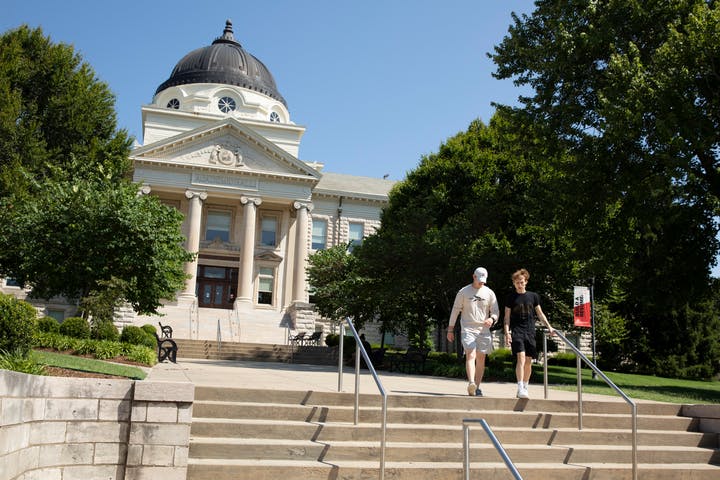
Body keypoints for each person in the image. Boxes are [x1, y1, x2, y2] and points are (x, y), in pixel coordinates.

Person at [447, 267, 499, 396]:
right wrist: (450, 329)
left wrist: (492, 319)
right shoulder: (463, 292)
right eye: (479, 279)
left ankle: (477, 387)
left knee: (481, 358)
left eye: (484, 280)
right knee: (471, 354)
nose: (482, 282)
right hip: (468, 329)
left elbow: (496, 311)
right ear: (473, 277)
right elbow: (455, 310)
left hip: (484, 330)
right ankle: (471, 382)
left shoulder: (489, 293)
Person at [503, 268, 554, 399]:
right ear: (514, 283)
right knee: (520, 358)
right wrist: (507, 332)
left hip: (530, 331)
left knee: (528, 361)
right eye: (516, 282)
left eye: (521, 282)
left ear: (526, 282)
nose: (519, 284)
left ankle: (525, 385)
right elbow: (507, 317)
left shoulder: (533, 296)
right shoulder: (510, 298)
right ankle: (520, 387)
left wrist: (549, 327)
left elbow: (540, 314)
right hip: (517, 331)